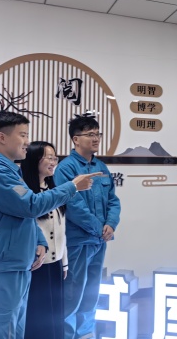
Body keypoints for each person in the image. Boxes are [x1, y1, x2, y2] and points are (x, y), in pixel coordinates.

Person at [0, 110, 101, 339]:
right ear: (2, 137)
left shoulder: (9, 170)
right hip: (0, 269)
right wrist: (72, 186)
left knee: (14, 330)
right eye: (22, 135)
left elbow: (21, 213)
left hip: (15, 265)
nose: (27, 142)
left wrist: (39, 240)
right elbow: (29, 205)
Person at [54, 114, 121, 339]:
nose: (96, 138)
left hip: (99, 241)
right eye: (90, 134)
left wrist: (111, 223)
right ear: (75, 139)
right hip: (78, 241)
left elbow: (113, 200)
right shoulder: (66, 168)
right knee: (72, 293)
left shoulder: (101, 167)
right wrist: (98, 228)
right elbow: (74, 206)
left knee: (92, 292)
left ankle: (85, 334)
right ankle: (66, 335)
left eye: (97, 134)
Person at [20, 141, 68, 339]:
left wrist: (64, 262)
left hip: (55, 264)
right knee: (37, 317)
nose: (53, 162)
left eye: (55, 158)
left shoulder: (54, 190)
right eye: (49, 157)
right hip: (36, 266)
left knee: (55, 315)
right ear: (34, 160)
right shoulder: (25, 194)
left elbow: (62, 231)